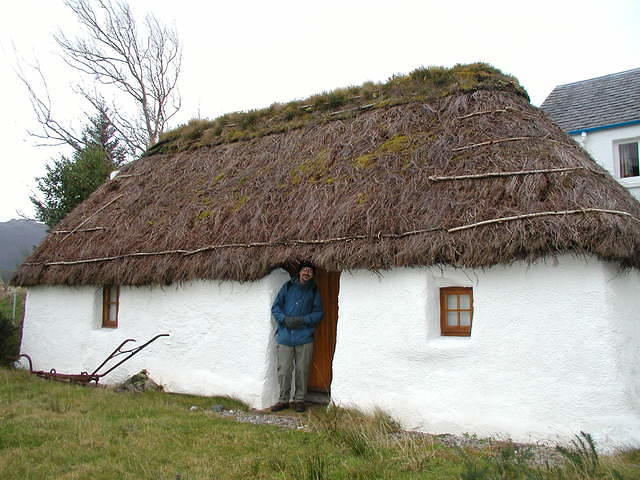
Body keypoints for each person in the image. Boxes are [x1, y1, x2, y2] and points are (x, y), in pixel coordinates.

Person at [270, 261, 323, 412]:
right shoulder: (287, 287)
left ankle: (299, 400)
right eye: (304, 270)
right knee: (284, 369)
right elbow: (276, 307)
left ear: (312, 275)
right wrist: (284, 320)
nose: (307, 273)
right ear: (299, 272)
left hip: (304, 337)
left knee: (302, 370)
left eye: (310, 271)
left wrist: (303, 320)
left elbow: (319, 313)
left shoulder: (314, 290)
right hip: (285, 336)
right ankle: (283, 400)